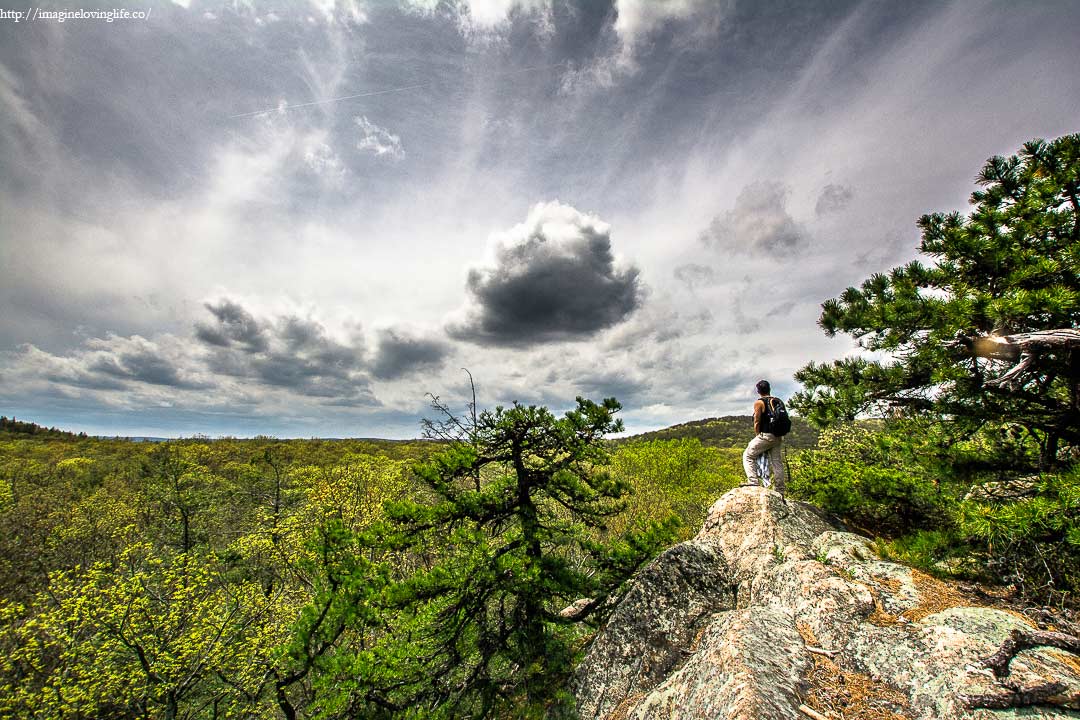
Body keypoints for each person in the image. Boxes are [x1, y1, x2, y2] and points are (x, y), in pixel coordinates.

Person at [742, 380, 786, 492]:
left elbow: (757, 421)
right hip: (778, 436)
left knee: (748, 455)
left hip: (766, 435)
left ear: (758, 391)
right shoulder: (777, 401)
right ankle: (780, 489)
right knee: (776, 462)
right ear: (769, 388)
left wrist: (758, 435)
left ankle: (753, 482)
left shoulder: (759, 403)